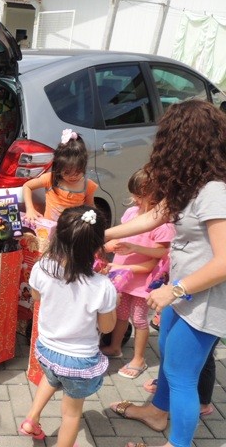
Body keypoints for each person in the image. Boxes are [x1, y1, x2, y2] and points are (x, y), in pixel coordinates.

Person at [104, 100, 226, 447]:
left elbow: (224, 262)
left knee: (181, 375)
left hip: (202, 299)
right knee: (170, 360)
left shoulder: (214, 191)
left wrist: (175, 290)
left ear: (183, 143)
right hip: (181, 293)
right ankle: (157, 412)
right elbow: (153, 217)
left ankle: (178, 442)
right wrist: (101, 233)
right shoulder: (189, 184)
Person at [18, 206, 116, 446]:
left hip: (46, 349)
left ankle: (31, 419)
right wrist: (113, 305)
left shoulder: (42, 267)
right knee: (71, 415)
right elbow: (106, 327)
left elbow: (37, 297)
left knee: (51, 378)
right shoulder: (102, 286)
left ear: (57, 237)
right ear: (97, 246)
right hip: (78, 361)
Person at [101, 169, 174, 379]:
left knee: (140, 320)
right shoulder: (132, 213)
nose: (135, 200)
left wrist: (135, 249)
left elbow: (161, 254)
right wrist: (112, 244)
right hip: (123, 278)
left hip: (142, 282)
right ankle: (115, 347)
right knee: (121, 315)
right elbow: (122, 236)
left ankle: (139, 359)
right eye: (134, 195)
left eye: (140, 196)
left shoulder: (163, 224)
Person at [22, 129, 98, 221]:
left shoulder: (87, 185)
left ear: (84, 166)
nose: (73, 176)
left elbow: (90, 206)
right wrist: (30, 209)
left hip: (71, 228)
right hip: (49, 228)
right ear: (58, 168)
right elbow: (27, 186)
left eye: (78, 172)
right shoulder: (51, 179)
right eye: (67, 172)